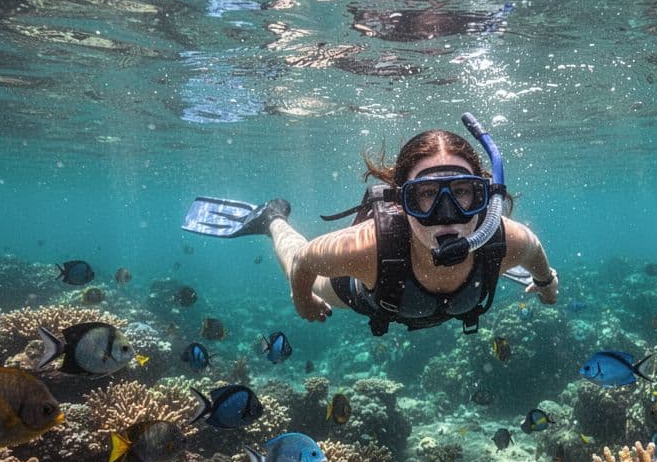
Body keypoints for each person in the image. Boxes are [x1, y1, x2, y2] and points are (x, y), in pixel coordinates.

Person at [184, 116, 557, 335]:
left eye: (463, 193)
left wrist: (546, 283)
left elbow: (536, 253)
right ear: (401, 201)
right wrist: (302, 301)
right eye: (425, 196)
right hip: (364, 292)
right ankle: (271, 218)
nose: (447, 214)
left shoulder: (507, 241)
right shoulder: (365, 250)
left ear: (486, 199)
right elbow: (305, 262)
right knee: (297, 255)